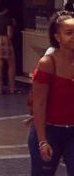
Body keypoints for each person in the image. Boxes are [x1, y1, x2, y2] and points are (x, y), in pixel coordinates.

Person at [29, 11, 74, 175]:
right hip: (49, 131)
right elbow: (39, 104)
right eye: (69, 33)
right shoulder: (48, 63)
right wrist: (42, 141)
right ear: (57, 37)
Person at [0, 0, 20, 94]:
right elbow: (10, 34)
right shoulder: (8, 18)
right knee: (11, 64)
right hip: (5, 41)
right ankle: (12, 87)